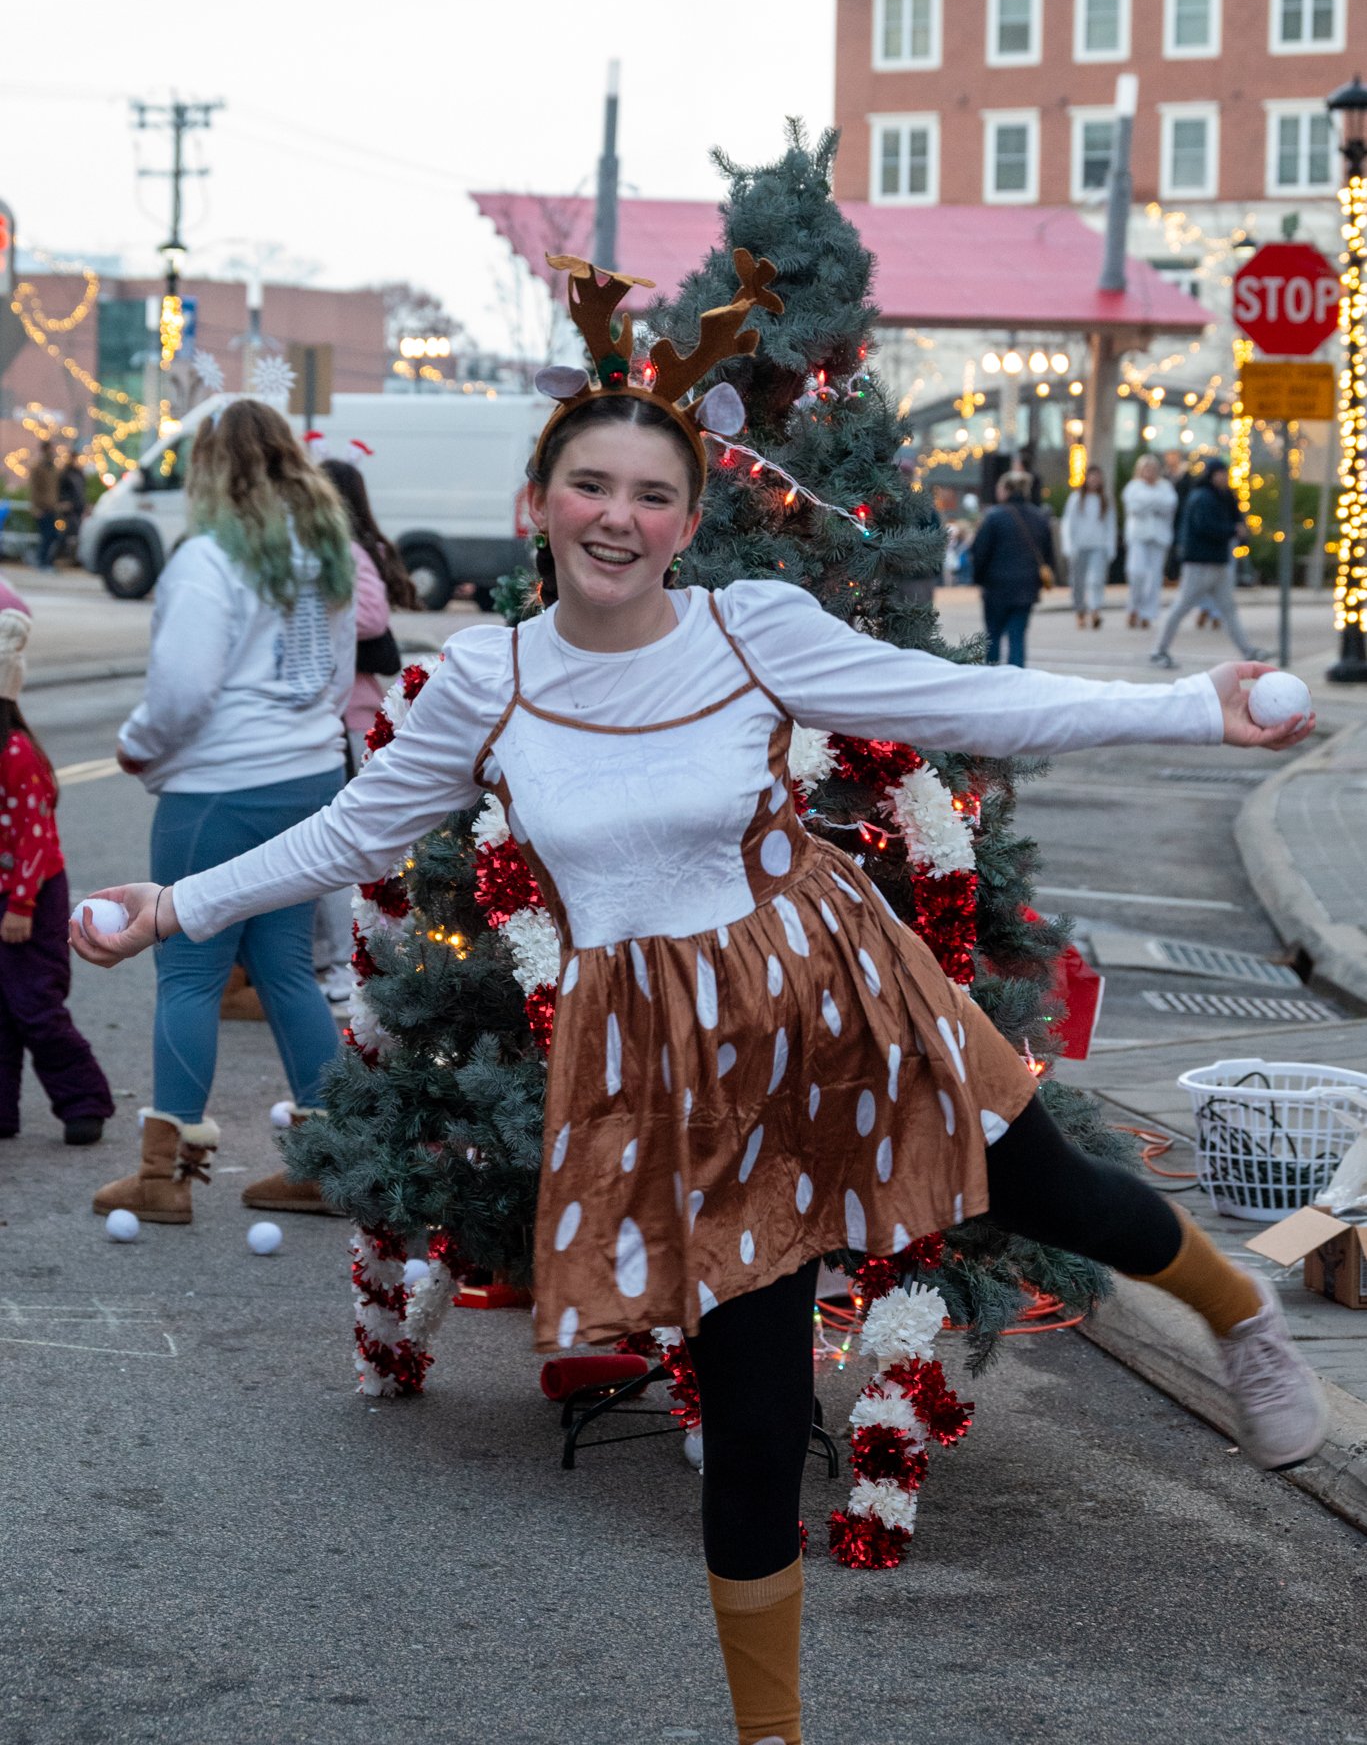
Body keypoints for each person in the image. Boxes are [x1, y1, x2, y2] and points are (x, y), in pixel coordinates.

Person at [70, 262, 1325, 1745]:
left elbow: (962, 702)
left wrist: (1194, 704)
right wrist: (175, 905)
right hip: (672, 1066)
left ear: (685, 518)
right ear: (540, 500)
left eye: (651, 495)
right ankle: (769, 1738)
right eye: (588, 485)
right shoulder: (489, 681)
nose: (618, 517)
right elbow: (350, 833)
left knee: (1045, 1184)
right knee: (744, 1407)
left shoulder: (747, 630)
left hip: (829, 990)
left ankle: (1237, 1311)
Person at [86, 393, 355, 1224]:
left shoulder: (210, 557)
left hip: (217, 790)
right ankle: (326, 1158)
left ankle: (166, 1175)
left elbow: (183, 689)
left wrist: (138, 743)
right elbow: (338, 679)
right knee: (285, 969)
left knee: (191, 970)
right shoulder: (325, 549)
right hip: (307, 781)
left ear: (208, 465)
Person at [0, 609, 114, 1144]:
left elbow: (35, 838)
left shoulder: (17, 755)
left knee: (35, 1007)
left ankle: (83, 1101)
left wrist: (21, 906)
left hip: (30, 899)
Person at [311, 452, 419, 1001]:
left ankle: (341, 965)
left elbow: (372, 616)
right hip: (331, 714)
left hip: (350, 714)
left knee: (341, 845)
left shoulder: (346, 553)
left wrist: (317, 612)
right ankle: (332, 961)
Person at [1151, 462, 1267, 668]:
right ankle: (1159, 650)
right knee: (1182, 606)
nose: (1224, 478)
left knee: (1228, 609)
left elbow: (1236, 518)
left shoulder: (1224, 496)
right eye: (1220, 474)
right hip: (1199, 562)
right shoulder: (1202, 497)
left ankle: (1247, 650)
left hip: (1218, 562)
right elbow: (1205, 526)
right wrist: (1232, 530)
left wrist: (1237, 529)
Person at [970, 468, 1053, 666]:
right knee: (1017, 637)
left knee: (993, 638)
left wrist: (979, 579)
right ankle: (1017, 681)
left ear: (1006, 489)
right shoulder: (1039, 517)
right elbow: (1048, 553)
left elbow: (979, 551)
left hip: (996, 586)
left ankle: (992, 677)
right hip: (1026, 586)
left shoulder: (994, 517)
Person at [1121, 455, 1178, 630]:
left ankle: (1147, 613)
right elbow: (1134, 508)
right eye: (1146, 469)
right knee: (1137, 572)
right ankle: (1134, 606)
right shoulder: (1133, 487)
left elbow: (1169, 505)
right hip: (1139, 536)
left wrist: (1148, 504)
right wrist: (1154, 504)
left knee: (1154, 577)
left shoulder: (1165, 487)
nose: (1150, 473)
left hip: (1159, 537)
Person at [1061, 464, 1116, 629]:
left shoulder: (1105, 500)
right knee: (1078, 581)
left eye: (1097, 477)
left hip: (1098, 545)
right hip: (1080, 545)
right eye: (1092, 476)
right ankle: (1080, 612)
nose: (1094, 480)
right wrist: (1069, 545)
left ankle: (1095, 609)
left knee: (1097, 580)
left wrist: (1110, 546)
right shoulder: (1076, 498)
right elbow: (1068, 524)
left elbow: (1110, 525)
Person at [26, 440, 59, 570]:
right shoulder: (38, 467)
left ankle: (45, 561)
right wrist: (35, 508)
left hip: (51, 507)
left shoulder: (52, 467)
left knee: (52, 535)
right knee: (47, 535)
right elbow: (33, 490)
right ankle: (42, 562)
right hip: (42, 508)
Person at [56, 449, 87, 564]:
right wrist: (63, 502)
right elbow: (61, 490)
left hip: (78, 508)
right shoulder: (65, 474)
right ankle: (59, 556)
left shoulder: (79, 474)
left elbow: (82, 491)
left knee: (76, 533)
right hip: (68, 508)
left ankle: (72, 558)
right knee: (66, 532)